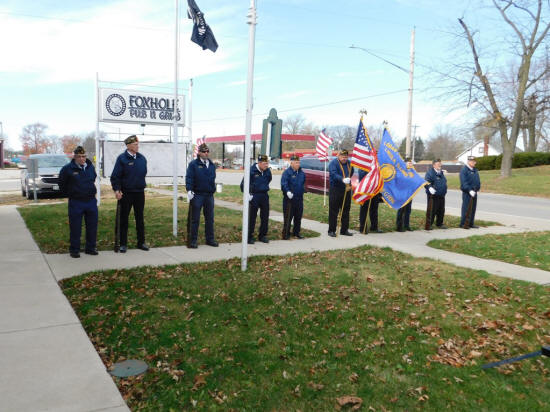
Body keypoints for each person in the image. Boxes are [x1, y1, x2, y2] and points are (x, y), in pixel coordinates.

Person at [110, 135, 149, 253]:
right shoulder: (122, 159)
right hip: (126, 193)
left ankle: (141, 242)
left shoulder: (142, 158)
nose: (138, 146)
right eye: (135, 144)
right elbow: (115, 176)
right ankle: (123, 243)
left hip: (139, 193)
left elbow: (143, 173)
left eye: (137, 144)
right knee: (123, 219)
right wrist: (117, 190)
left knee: (140, 218)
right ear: (128, 146)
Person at [58, 146, 98, 258]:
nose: (82, 159)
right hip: (76, 202)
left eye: (84, 156)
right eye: (79, 156)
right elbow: (62, 184)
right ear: (75, 157)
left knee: (92, 226)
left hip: (91, 201)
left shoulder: (90, 167)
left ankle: (90, 248)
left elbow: (93, 178)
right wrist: (71, 194)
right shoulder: (67, 169)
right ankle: (75, 250)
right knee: (75, 227)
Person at [185, 143, 218, 249]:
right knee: (194, 219)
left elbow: (213, 178)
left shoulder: (211, 165)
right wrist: (189, 190)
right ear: (199, 152)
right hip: (197, 195)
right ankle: (193, 240)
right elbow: (189, 177)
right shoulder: (193, 164)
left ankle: (210, 239)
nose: (206, 153)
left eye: (207, 151)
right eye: (204, 151)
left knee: (210, 219)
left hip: (209, 195)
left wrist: (213, 188)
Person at [241, 154, 272, 244]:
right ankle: (249, 236)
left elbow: (269, 179)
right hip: (254, 196)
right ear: (259, 163)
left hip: (264, 195)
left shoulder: (267, 171)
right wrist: (247, 194)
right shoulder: (251, 171)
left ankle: (262, 235)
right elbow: (243, 185)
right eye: (265, 163)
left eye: (267, 163)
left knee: (265, 216)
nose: (266, 165)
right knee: (252, 217)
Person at [328, 149, 354, 237]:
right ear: (338, 156)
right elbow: (333, 174)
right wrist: (342, 179)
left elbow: (351, 172)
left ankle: (344, 230)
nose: (344, 158)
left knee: (346, 210)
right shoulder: (333, 163)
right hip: (336, 189)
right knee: (334, 211)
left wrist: (347, 179)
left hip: (346, 189)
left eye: (346, 157)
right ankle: (331, 230)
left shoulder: (349, 163)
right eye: (342, 157)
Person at [280, 154, 306, 239]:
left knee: (298, 217)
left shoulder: (302, 173)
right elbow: (284, 184)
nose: (298, 164)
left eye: (298, 162)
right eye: (296, 162)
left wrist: (303, 190)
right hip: (289, 199)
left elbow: (303, 183)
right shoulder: (287, 173)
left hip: (299, 199)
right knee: (288, 217)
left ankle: (296, 232)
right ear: (291, 163)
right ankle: (286, 233)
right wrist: (287, 191)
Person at [424, 158, 448, 229]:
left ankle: (439, 223)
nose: (440, 165)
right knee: (432, 210)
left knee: (441, 210)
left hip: (441, 195)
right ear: (434, 165)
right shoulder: (430, 173)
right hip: (433, 196)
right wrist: (429, 187)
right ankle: (429, 224)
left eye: (440, 164)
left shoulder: (440, 172)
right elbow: (426, 181)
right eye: (438, 164)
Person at [358, 167, 383, 234]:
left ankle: (374, 227)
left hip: (375, 190)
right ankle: (362, 228)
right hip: (366, 190)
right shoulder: (364, 164)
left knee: (374, 209)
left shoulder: (376, 165)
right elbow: (361, 177)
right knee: (364, 209)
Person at [459, 155, 481, 229]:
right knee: (466, 208)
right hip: (467, 192)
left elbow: (477, 180)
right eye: (472, 161)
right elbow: (463, 182)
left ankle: (471, 223)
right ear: (468, 161)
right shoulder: (464, 170)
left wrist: (477, 188)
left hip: (474, 192)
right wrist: (469, 190)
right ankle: (464, 223)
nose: (473, 163)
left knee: (473, 208)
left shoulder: (475, 170)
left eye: (474, 161)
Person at [396, 157, 415, 232]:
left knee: (408, 210)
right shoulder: (401, 171)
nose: (411, 164)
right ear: (405, 163)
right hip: (402, 193)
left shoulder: (412, 171)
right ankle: (399, 226)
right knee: (401, 210)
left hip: (409, 193)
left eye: (411, 163)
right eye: (409, 163)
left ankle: (406, 225)